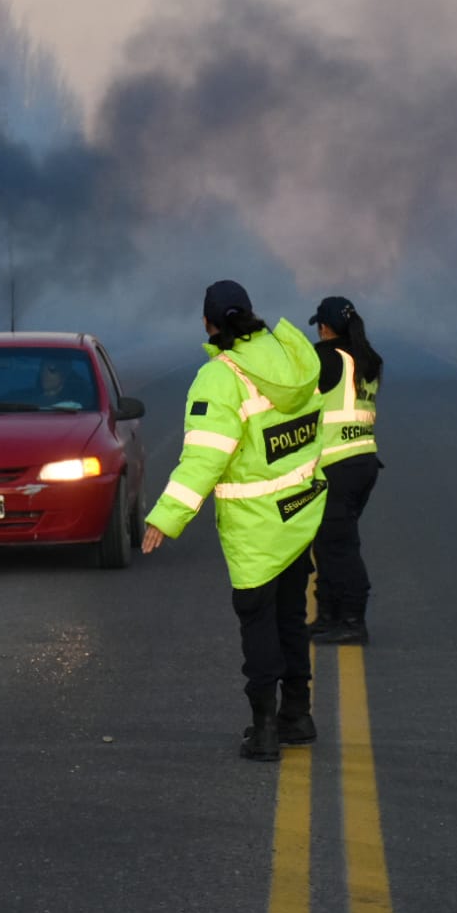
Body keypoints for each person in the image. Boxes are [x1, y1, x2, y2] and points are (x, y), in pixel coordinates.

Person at [141, 280, 328, 762]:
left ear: (208, 324)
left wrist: (165, 517)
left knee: (259, 625)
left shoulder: (219, 379)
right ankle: (298, 716)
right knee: (292, 617)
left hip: (255, 527)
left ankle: (264, 731)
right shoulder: (292, 355)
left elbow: (204, 460)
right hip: (301, 511)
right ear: (250, 312)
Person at [306, 295, 382, 646]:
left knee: (338, 546)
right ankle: (328, 617)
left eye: (319, 325)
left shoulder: (327, 359)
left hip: (337, 464)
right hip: (363, 461)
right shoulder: (367, 360)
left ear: (325, 326)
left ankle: (352, 619)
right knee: (328, 542)